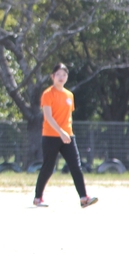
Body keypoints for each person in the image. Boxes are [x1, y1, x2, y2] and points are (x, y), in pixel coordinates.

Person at [33, 63, 98, 208]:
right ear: (52, 76)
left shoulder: (69, 95)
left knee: (76, 166)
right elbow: (48, 117)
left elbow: (68, 116)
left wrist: (67, 132)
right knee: (48, 168)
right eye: (58, 74)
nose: (61, 77)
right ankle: (38, 198)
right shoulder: (47, 94)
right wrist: (60, 132)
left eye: (64, 75)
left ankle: (84, 198)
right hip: (51, 136)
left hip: (68, 135)